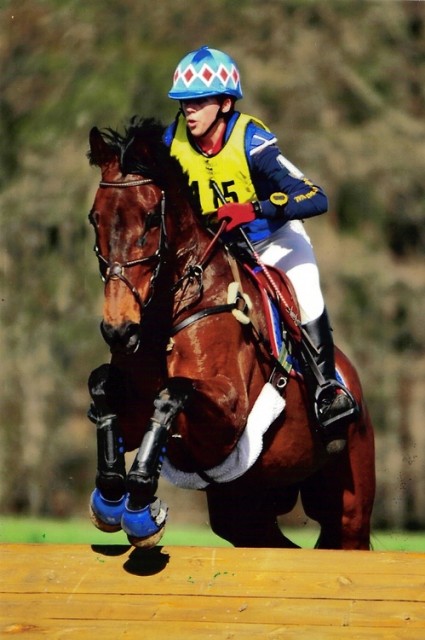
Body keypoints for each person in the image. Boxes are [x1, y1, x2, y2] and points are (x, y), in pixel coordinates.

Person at [163, 45, 357, 454]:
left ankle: (326, 392)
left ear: (225, 103)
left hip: (273, 239)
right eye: (183, 103)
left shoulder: (252, 140)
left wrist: (255, 208)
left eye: (198, 102)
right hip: (217, 252)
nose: (189, 112)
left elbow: (314, 197)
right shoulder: (171, 143)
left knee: (306, 295)